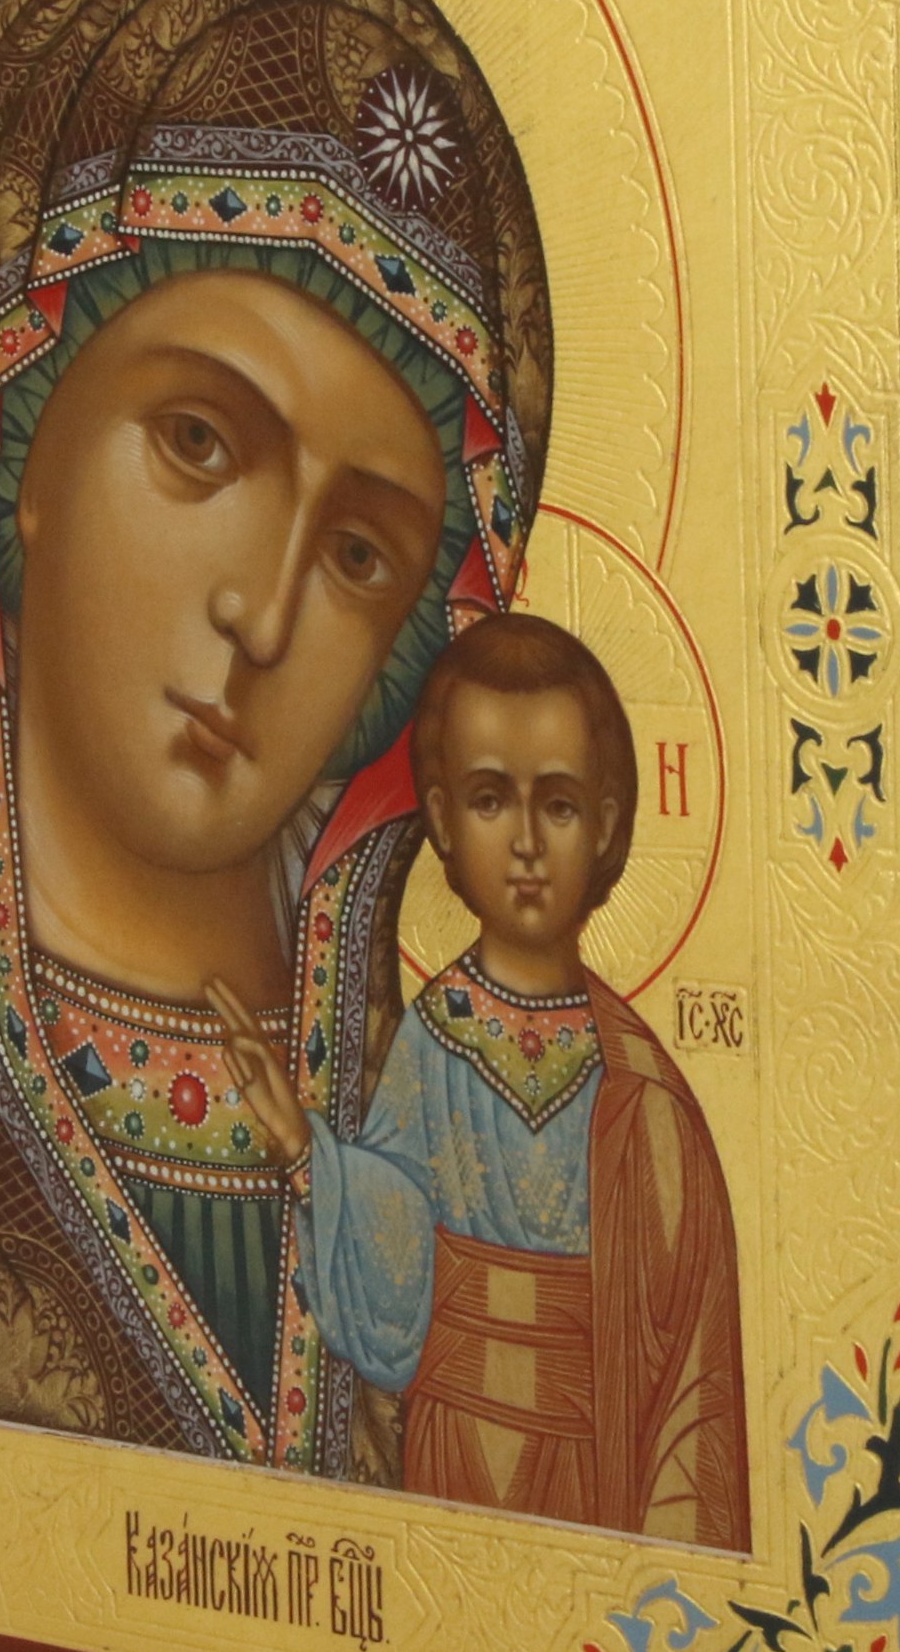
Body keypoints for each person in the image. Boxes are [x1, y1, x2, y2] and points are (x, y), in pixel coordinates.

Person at [0, 0, 555, 1479]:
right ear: (10, 447)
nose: (262, 618)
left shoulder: (470, 1130)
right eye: (200, 443)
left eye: (361, 553)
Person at [216, 614, 750, 1547]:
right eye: (493, 799)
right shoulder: (432, 1046)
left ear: (607, 825)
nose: (528, 843)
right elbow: (394, 1276)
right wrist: (306, 1150)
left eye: (560, 805)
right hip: (457, 1454)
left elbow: (691, 1367)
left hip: (598, 1467)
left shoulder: (643, 1091)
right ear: (445, 822)